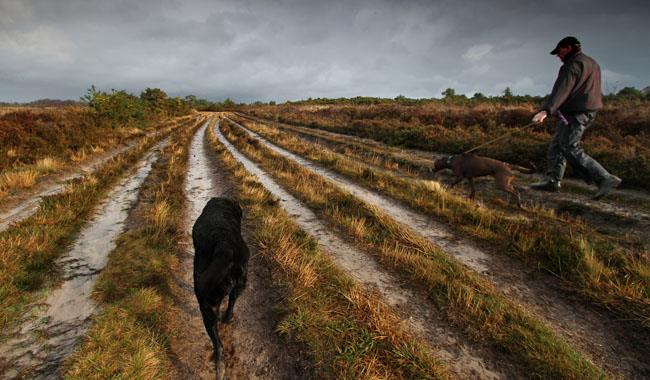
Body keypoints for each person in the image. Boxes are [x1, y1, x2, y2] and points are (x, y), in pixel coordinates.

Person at [531, 36, 621, 200]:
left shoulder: (571, 65)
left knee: (569, 147)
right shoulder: (592, 63)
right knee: (557, 145)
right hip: (583, 111)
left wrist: (546, 111)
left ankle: (604, 178)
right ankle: (552, 180)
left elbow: (562, 89)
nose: (558, 56)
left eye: (559, 52)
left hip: (577, 113)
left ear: (568, 48)